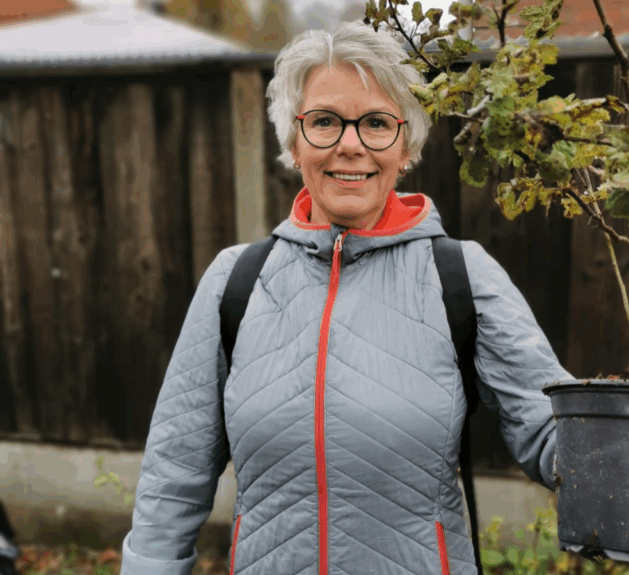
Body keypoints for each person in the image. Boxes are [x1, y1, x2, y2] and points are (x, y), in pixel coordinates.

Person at [119, 21, 574, 575]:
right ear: (294, 140)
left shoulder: (460, 275)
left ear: (405, 146)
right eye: (325, 122)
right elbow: (174, 471)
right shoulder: (236, 280)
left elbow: (553, 436)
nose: (350, 145)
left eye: (377, 123)